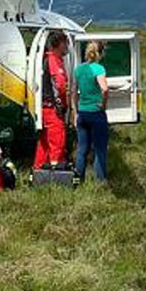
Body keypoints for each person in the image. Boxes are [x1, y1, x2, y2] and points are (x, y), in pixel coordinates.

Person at [74, 41, 109, 182]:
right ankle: (100, 180)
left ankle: (78, 179)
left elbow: (73, 92)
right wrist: (103, 105)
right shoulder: (98, 69)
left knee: (82, 149)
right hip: (96, 112)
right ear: (99, 54)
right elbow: (105, 89)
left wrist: (75, 110)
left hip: (82, 112)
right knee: (100, 148)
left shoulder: (78, 69)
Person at [34, 32, 70, 169]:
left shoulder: (46, 59)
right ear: (59, 43)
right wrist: (64, 101)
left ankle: (38, 171)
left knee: (44, 143)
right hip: (52, 109)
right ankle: (56, 173)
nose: (66, 46)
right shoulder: (53, 60)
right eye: (65, 43)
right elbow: (60, 84)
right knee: (57, 142)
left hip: (43, 108)